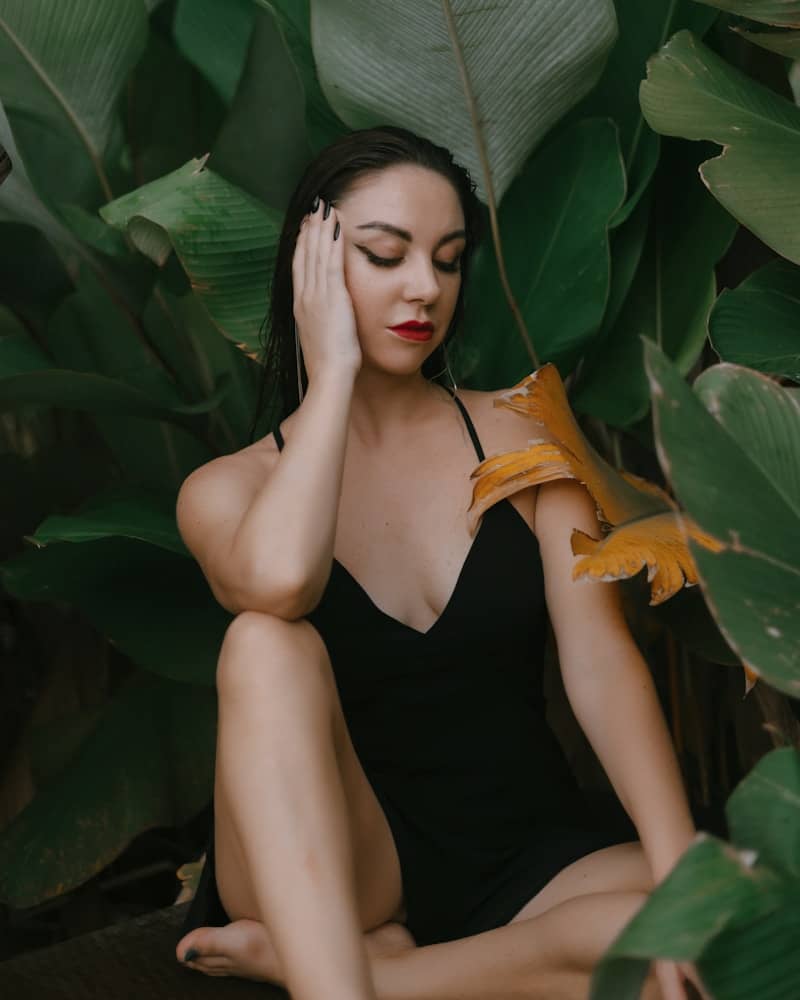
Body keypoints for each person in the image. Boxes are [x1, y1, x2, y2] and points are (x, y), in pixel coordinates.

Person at [172, 126, 698, 1000]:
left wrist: (683, 875)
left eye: (448, 261)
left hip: (527, 851)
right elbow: (280, 586)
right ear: (313, 268)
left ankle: (382, 979)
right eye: (385, 255)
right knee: (265, 645)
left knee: (737, 910)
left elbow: (599, 664)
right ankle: (341, 978)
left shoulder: (522, 433)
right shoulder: (227, 491)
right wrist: (332, 373)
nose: (425, 287)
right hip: (347, 867)